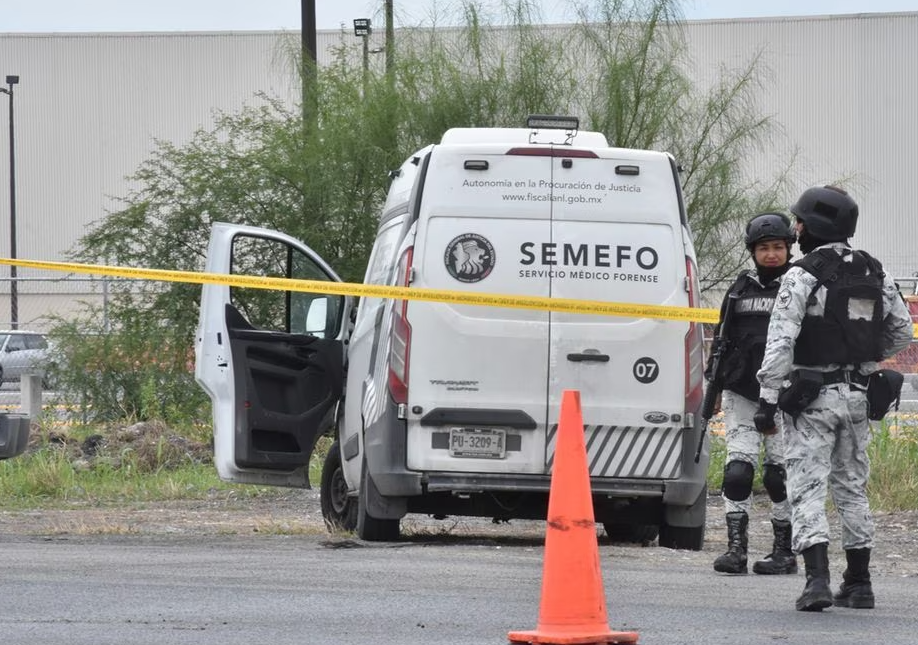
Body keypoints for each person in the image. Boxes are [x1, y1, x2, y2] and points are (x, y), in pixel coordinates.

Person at [756, 185, 913, 611]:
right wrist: (861, 360)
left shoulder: (802, 274)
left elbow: (781, 341)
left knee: (806, 487)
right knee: (852, 489)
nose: (796, 229)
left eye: (799, 222)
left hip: (810, 399)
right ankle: (859, 584)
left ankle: (817, 583)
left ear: (814, 225)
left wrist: (768, 398)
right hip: (859, 397)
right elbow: (902, 331)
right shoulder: (875, 271)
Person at [709, 212, 798, 576]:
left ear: (789, 248)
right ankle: (736, 550)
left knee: (778, 476)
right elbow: (721, 339)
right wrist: (712, 388)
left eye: (778, 247)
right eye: (764, 248)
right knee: (737, 473)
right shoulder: (739, 289)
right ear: (753, 251)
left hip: (785, 397)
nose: (772, 254)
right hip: (741, 391)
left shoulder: (797, 286)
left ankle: (784, 550)